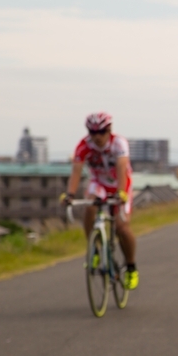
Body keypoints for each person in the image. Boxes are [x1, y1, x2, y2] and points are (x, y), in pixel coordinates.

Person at [61, 112, 139, 290]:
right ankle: (94, 248)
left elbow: (121, 167)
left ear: (109, 130)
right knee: (89, 207)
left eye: (101, 132)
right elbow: (76, 171)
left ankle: (131, 267)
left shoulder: (118, 143)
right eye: (92, 132)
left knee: (121, 227)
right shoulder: (83, 146)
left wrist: (120, 193)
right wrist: (70, 194)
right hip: (99, 184)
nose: (97, 137)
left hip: (120, 185)